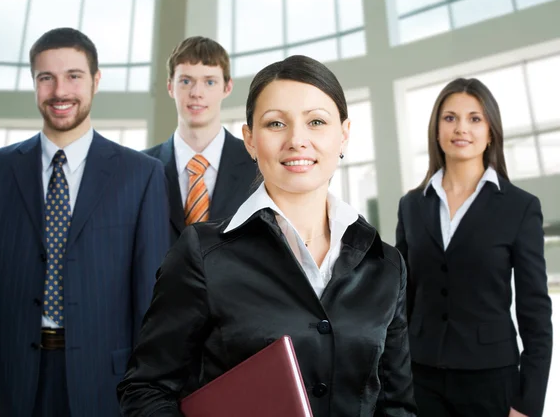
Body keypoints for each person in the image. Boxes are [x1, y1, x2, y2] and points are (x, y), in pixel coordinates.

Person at [118, 55, 417, 417]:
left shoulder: (385, 265)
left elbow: (397, 406)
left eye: (316, 122)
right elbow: (146, 390)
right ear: (250, 140)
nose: (297, 140)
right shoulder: (203, 254)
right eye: (276, 123)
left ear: (344, 134)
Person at [0, 28, 171, 417]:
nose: (60, 91)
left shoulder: (141, 175)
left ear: (96, 80)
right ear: (34, 84)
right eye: (46, 78)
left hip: (109, 385)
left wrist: (150, 400)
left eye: (74, 76)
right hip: (12, 381)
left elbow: (152, 306)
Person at [396, 78, 553, 417]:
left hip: (491, 378)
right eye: (450, 118)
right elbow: (402, 302)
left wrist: (528, 402)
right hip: (420, 378)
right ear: (436, 130)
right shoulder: (411, 206)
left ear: (491, 132)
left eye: (475, 118)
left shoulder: (519, 207)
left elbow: (535, 312)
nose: (461, 128)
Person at [144, 36, 257, 245]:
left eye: (209, 82)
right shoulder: (141, 168)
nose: (197, 93)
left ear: (227, 87)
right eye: (186, 81)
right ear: (170, 87)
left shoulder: (257, 165)